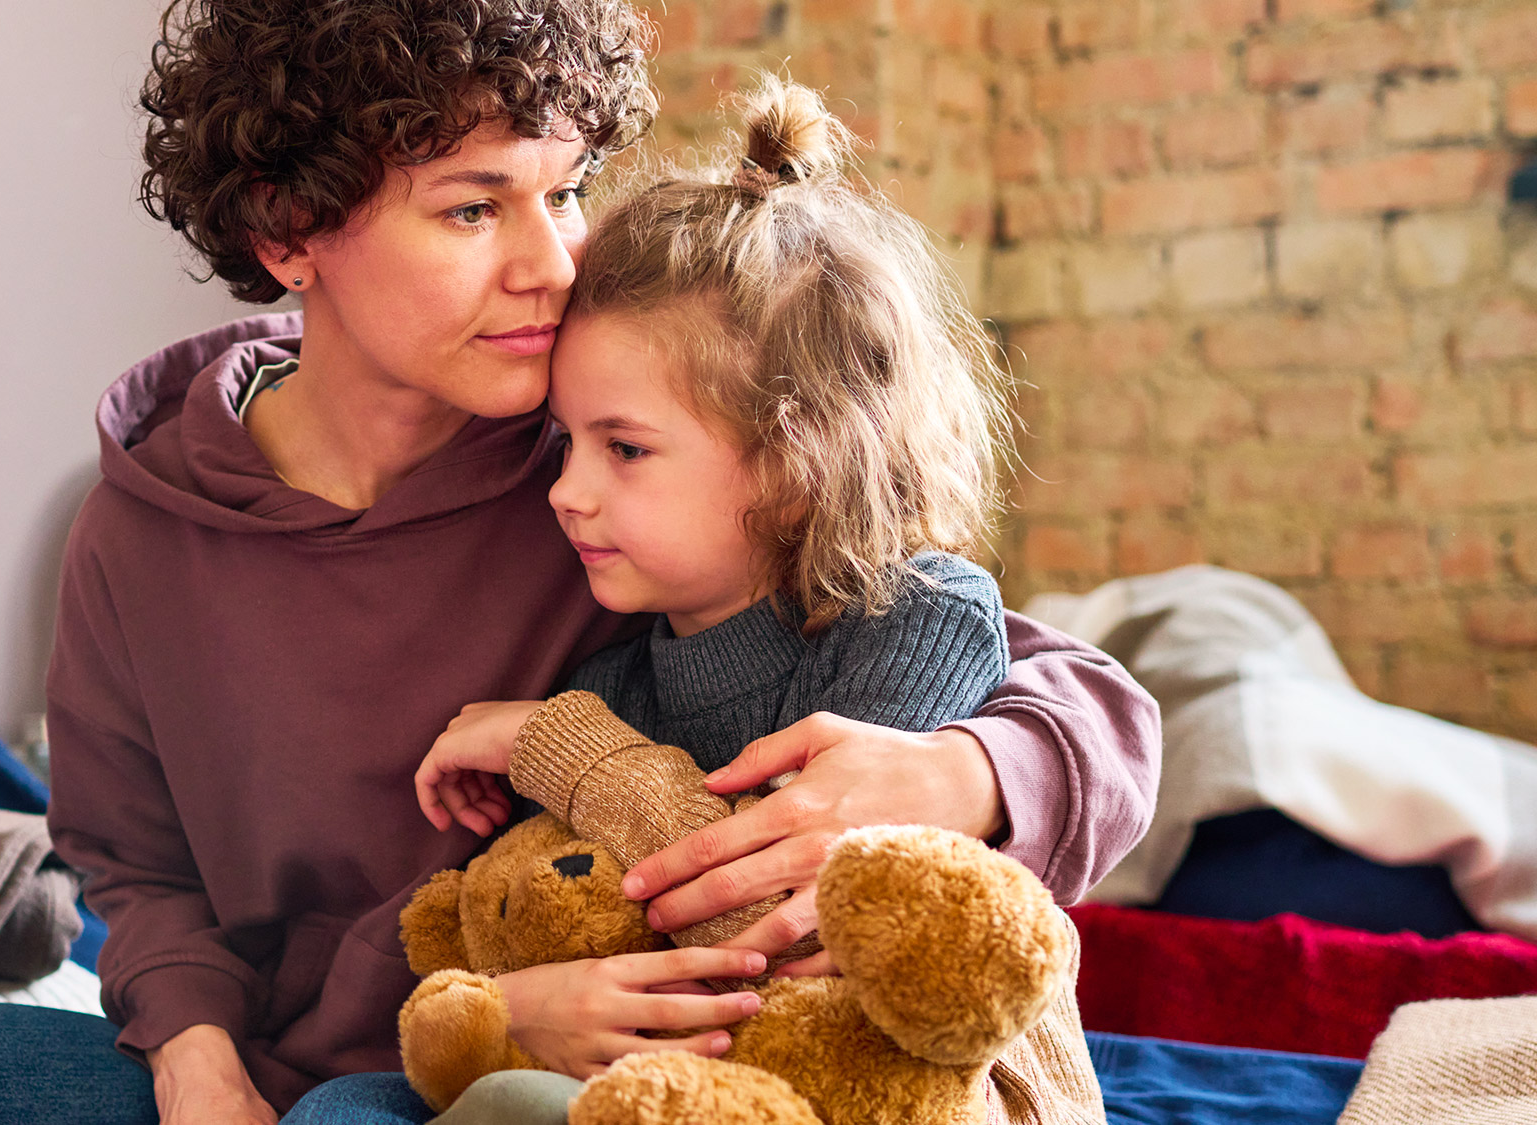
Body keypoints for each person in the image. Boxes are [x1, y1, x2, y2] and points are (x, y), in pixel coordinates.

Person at [0, 4, 1157, 1124]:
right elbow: (136, 872)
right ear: (294, 231)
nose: (552, 260)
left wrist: (960, 775)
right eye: (474, 207)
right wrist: (194, 1051)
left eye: (563, 190)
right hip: (303, 1057)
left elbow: (1038, 676)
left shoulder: (608, 464)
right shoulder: (141, 530)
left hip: (541, 1064)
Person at [395, 80, 1086, 1119]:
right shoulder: (612, 677)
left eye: (623, 449)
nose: (566, 492)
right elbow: (584, 923)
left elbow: (788, 933)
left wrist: (562, 747)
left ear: (795, 462)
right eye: (566, 443)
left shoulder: (917, 618)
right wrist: (510, 1001)